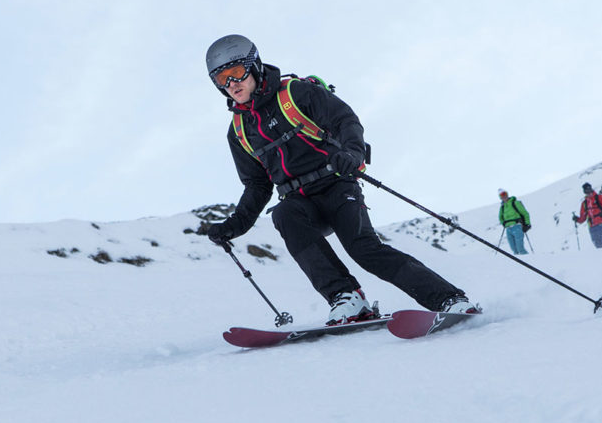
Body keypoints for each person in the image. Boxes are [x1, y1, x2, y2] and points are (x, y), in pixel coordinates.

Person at [196, 34, 477, 325]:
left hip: (337, 184)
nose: (231, 84)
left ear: (254, 67)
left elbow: (345, 120)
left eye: (236, 73)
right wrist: (236, 225)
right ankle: (347, 298)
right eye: (221, 79)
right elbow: (257, 185)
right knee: (284, 215)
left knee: (364, 249)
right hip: (299, 201)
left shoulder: (296, 93)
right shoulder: (239, 130)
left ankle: (449, 298)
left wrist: (353, 153)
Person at [572, 182, 602, 248]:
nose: (588, 191)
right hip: (592, 228)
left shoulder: (599, 198)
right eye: (586, 190)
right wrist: (577, 219)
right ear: (584, 191)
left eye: (589, 189)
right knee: (598, 245)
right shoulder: (584, 203)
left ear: (591, 189)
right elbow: (583, 218)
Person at [497, 189, 531, 255]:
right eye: (502, 195)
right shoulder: (502, 207)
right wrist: (504, 223)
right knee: (514, 250)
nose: (504, 196)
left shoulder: (515, 203)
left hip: (517, 226)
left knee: (520, 248)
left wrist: (527, 224)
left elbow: (525, 213)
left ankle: (529, 260)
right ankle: (518, 263)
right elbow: (500, 217)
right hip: (508, 229)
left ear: (507, 194)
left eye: (504, 194)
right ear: (500, 197)